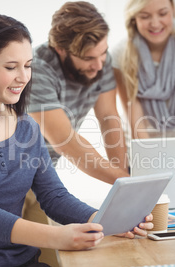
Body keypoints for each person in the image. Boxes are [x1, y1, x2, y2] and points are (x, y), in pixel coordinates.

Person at [0, 13, 152, 267]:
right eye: (11, 67)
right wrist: (59, 236)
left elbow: (53, 196)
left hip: (20, 261)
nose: (23, 77)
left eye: (28, 65)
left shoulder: (26, 125)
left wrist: (107, 221)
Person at [28, 1, 129, 182]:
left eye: (103, 53)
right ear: (60, 49)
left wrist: (123, 183)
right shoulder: (36, 68)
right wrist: (126, 181)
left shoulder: (101, 62)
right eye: (88, 58)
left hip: (42, 174)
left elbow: (108, 119)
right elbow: (66, 142)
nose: (99, 65)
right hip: (4, 174)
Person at [112, 0, 175, 139]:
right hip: (140, 147)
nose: (155, 23)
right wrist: (151, 158)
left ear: (174, 10)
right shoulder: (121, 54)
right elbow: (138, 130)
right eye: (145, 16)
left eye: (163, 13)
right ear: (134, 18)